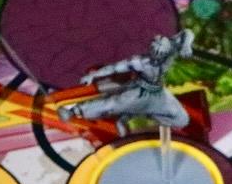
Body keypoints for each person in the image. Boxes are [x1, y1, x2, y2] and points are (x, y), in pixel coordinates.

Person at [58, 30, 195, 132]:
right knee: (112, 103)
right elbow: (115, 68)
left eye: (160, 54)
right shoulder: (140, 61)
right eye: (155, 53)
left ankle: (131, 115)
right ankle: (74, 111)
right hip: (139, 91)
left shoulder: (170, 52)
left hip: (159, 93)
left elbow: (187, 33)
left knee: (181, 119)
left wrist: (186, 45)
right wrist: (93, 75)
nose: (157, 58)